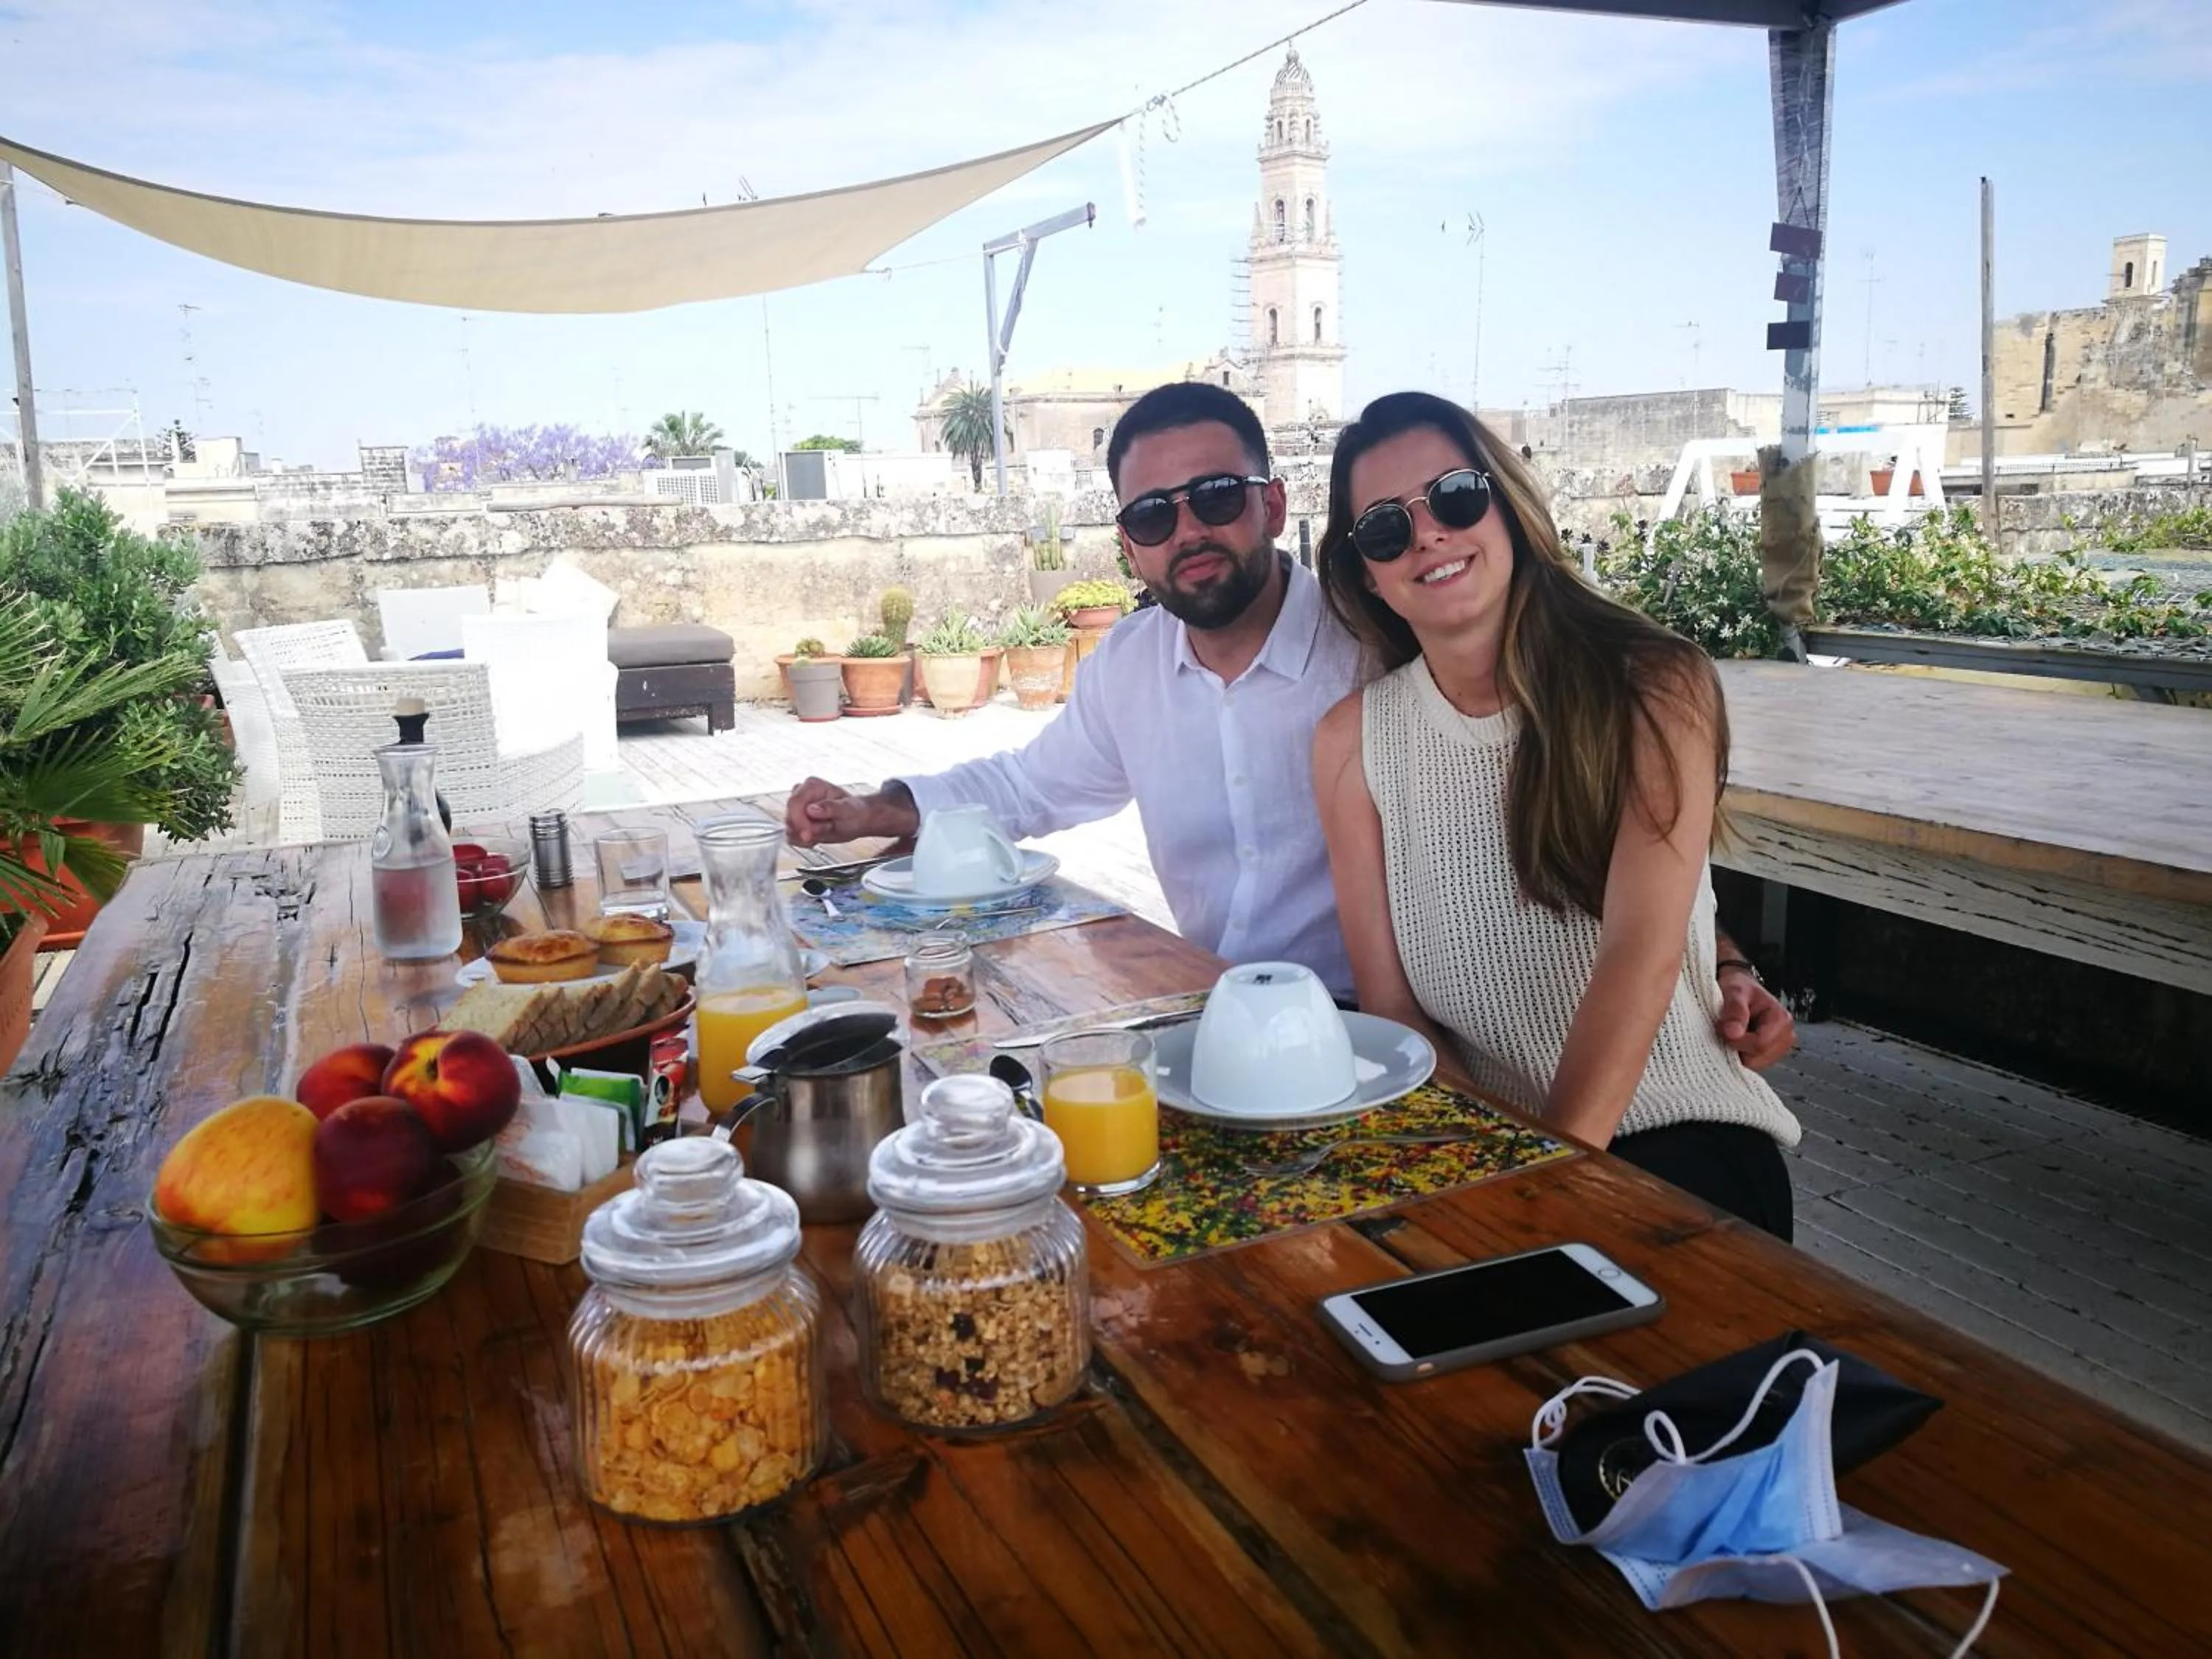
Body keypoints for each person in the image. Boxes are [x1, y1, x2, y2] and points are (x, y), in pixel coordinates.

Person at [785, 381, 1794, 1067]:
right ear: (1129, 545)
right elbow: (1026, 787)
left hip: (1397, 1027)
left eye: (1216, 497)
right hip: (1221, 1014)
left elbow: (1580, 813)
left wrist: (1722, 960)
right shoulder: (1130, 666)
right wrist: (880, 807)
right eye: (1154, 515)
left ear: (1271, 505)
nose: (1189, 530)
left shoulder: (1387, 644)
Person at [1310, 392, 1801, 1239]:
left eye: (1455, 496)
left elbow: (1640, 958)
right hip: (1483, 1148)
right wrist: (1481, 1165)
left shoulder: (1654, 687)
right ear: (1366, 574)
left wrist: (1535, 1190)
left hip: (1673, 1133)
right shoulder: (1352, 743)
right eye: (1386, 528)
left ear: (1507, 506)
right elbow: (1392, 1006)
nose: (1428, 535)